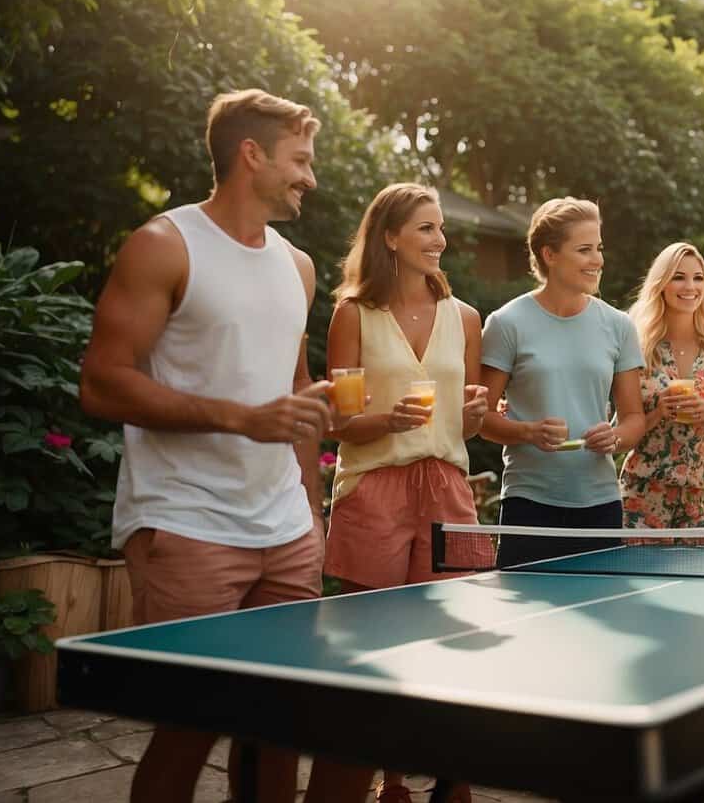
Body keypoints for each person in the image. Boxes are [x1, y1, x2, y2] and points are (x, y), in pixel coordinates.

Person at [80, 89, 337, 803]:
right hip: (188, 522)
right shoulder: (164, 244)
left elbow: (296, 397)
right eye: (299, 161)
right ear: (250, 155)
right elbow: (102, 384)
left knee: (281, 723)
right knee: (190, 724)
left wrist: (310, 518)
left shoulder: (299, 266)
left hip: (284, 528)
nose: (309, 178)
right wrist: (237, 418)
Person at [309, 183, 490, 803]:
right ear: (390, 237)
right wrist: (387, 421)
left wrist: (476, 412)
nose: (440, 240)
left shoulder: (464, 318)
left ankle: (453, 777)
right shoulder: (353, 315)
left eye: (440, 228)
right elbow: (339, 423)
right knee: (376, 645)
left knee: (450, 638)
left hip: (446, 485)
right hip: (374, 487)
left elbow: (466, 426)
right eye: (425, 229)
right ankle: (389, 781)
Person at [479, 197, 645, 564]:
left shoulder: (619, 326)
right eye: (584, 250)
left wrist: (615, 437)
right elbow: (481, 418)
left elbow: (634, 419)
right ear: (549, 255)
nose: (598, 260)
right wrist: (527, 432)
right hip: (529, 505)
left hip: (601, 505)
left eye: (599, 248)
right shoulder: (506, 324)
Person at [619, 242, 704, 531]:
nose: (690, 286)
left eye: (698, 277)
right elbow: (621, 435)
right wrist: (657, 413)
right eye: (678, 276)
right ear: (661, 284)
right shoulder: (636, 350)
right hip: (640, 495)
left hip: (695, 498)